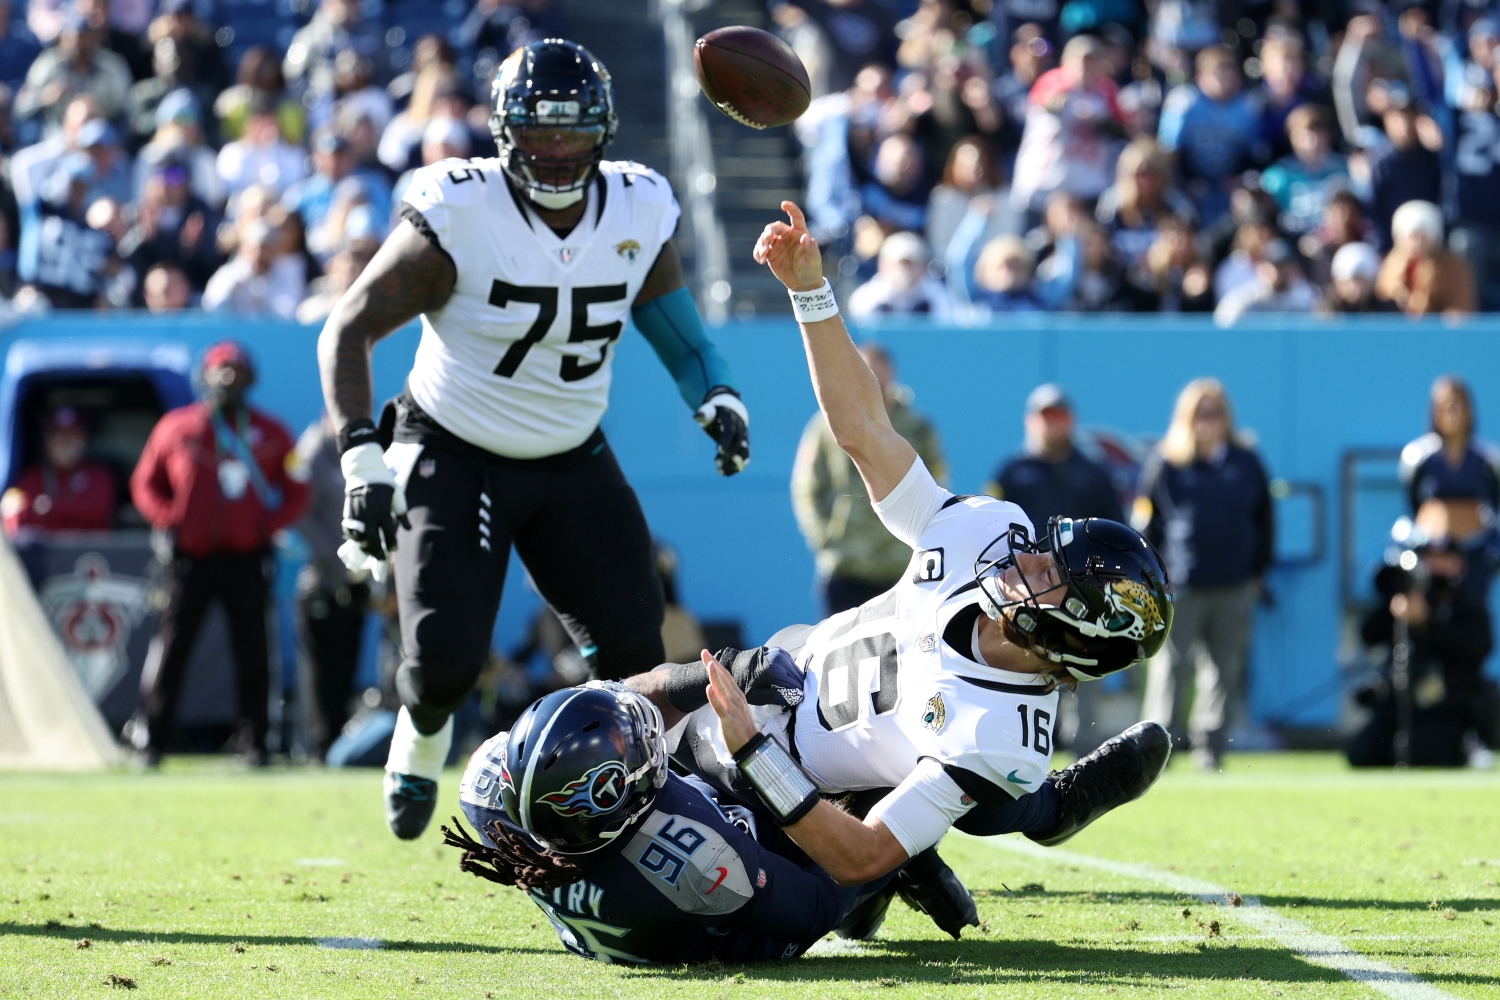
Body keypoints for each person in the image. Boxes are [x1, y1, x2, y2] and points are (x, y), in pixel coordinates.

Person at [617, 199, 1173, 890]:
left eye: (1052, 572)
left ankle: (1051, 806)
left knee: (969, 801)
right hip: (788, 687)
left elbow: (858, 854)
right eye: (1046, 548)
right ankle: (913, 860)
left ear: (1077, 634)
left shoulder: (1002, 735)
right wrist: (811, 293)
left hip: (796, 787)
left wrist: (767, 762)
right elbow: (863, 432)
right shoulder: (986, 532)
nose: (1029, 553)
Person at [317, 41, 751, 841]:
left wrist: (716, 392)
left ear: (605, 133)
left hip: (570, 452)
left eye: (574, 134)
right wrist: (360, 460)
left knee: (635, 656)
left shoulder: (636, 206)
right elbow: (346, 331)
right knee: (441, 664)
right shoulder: (459, 207)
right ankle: (420, 734)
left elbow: (681, 336)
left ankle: (639, 815)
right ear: (504, 132)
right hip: (453, 445)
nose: (556, 152)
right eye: (540, 133)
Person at [445, 683, 976, 962]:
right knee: (882, 786)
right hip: (739, 916)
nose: (640, 739)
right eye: (624, 751)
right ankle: (911, 870)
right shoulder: (695, 859)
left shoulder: (497, 796)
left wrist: (717, 672)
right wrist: (756, 755)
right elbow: (812, 907)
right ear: (609, 797)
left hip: (639, 880)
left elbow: (608, 696)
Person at [128, 342, 309, 767]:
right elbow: (144, 484)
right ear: (204, 376)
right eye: (221, 369)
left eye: (237, 371)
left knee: (253, 654)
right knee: (172, 650)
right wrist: (167, 519)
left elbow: (297, 489)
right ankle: (150, 742)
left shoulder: (272, 431)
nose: (229, 379)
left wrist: (268, 525)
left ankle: (256, 745)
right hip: (191, 560)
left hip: (247, 559)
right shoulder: (176, 428)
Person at [1136, 379, 1272, 769]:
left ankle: (1210, 747)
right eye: (1199, 412)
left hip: (1232, 582)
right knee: (1171, 668)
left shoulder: (1246, 462)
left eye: (1214, 412)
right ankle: (1156, 748)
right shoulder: (1166, 463)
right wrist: (1152, 577)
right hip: (1181, 584)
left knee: (1224, 668)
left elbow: (1265, 521)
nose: (1207, 420)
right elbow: (1147, 526)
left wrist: (1257, 571)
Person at [792, 342, 947, 616]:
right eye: (863, 368)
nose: (872, 376)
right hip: (847, 563)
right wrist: (825, 539)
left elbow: (935, 483)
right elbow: (807, 488)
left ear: (892, 372)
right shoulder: (827, 425)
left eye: (878, 368)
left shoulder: (917, 426)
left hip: (902, 562)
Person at [1348, 521, 1500, 767]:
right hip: (1401, 701)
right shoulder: (1407, 597)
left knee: (1422, 755)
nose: (1437, 566)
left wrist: (1428, 621)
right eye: (1430, 558)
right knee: (1362, 755)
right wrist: (1394, 608)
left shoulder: (1466, 603)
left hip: (1447, 704)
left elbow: (1477, 648)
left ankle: (1467, 747)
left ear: (1459, 563)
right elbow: (1369, 634)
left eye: (1445, 558)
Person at [292, 414, 370, 764]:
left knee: (346, 667)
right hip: (321, 580)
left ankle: (339, 747)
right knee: (318, 672)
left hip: (357, 583)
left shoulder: (365, 451)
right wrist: (339, 556)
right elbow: (299, 514)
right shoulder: (312, 453)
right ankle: (319, 747)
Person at [988, 383, 1122, 529]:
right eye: (1046, 416)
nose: (1051, 423)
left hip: (1078, 552)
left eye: (1058, 416)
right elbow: (990, 525)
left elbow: (1115, 529)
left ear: (1071, 419)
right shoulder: (1011, 474)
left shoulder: (1094, 475)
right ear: (1029, 420)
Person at [1157, 45, 1261, 222]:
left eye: (1229, 75)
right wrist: (1190, 181)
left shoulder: (1247, 107)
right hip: (1188, 183)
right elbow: (1168, 153)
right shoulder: (1183, 102)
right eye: (1218, 74)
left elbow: (1251, 155)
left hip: (1229, 184)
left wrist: (1237, 179)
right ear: (1200, 76)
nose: (1224, 81)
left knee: (1250, 206)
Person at [0, 406, 115, 537]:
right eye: (58, 436)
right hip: (44, 555)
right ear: (47, 442)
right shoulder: (31, 478)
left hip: (92, 554)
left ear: (84, 440)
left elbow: (99, 511)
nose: (64, 443)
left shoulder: (99, 476)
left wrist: (52, 508)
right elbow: (13, 519)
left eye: (72, 435)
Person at [1400, 376, 1500, 524]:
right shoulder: (1418, 458)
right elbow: (1413, 509)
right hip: (1432, 542)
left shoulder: (1489, 459)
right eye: (1446, 407)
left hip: (1478, 542)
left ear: (1469, 413)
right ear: (1435, 413)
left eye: (1458, 406)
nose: (1453, 414)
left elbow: (1494, 507)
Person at [1375, 201, 1477, 319]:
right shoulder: (1387, 267)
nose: (1417, 243)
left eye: (1423, 237)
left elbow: (1459, 310)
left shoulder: (1453, 268)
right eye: (1412, 237)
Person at [846, 232, 952, 321]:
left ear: (923, 267)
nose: (905, 269)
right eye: (899, 263)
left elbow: (945, 327)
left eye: (911, 263)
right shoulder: (866, 298)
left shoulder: (938, 296)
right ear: (883, 266)